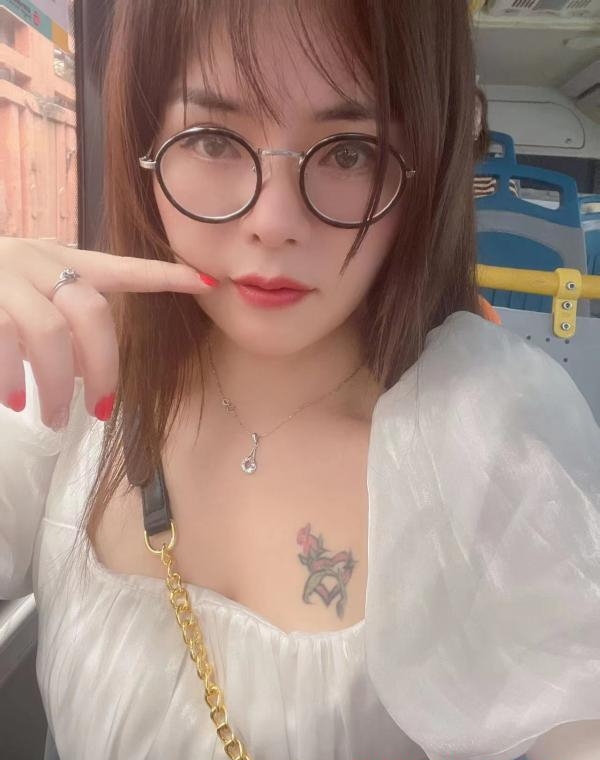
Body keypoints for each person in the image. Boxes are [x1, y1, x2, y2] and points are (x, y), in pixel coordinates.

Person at [1, 2, 599, 759]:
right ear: (144, 144)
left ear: (424, 170)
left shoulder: (487, 437)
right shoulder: (61, 380)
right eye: (213, 139)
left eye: (349, 152)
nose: (275, 220)